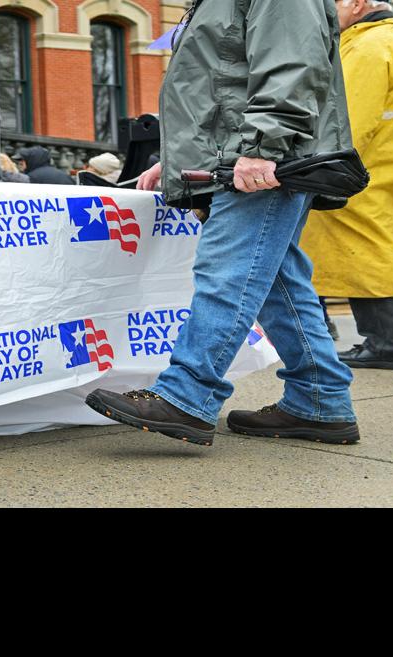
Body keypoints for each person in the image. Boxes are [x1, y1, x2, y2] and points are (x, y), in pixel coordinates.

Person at [85, 0, 360, 446]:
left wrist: (265, 144)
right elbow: (217, 83)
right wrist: (175, 160)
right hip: (242, 154)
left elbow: (293, 61)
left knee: (227, 273)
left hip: (256, 159)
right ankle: (320, 399)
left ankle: (187, 395)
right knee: (278, 281)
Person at [300, 0, 393, 370]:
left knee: (368, 255)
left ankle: (389, 344)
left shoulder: (367, 46)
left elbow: (346, 120)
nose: (328, 11)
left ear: (358, 4)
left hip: (367, 172)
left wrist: (317, 169)